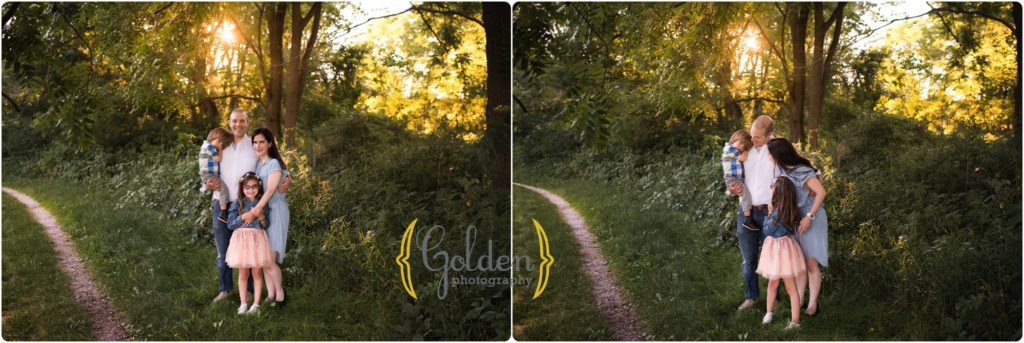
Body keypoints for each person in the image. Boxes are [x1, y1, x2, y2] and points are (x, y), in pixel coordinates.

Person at [206, 108, 292, 303]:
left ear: (247, 122)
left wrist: (288, 178)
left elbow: (272, 163)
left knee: (251, 248)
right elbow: (207, 168)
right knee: (223, 249)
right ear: (229, 122)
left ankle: (253, 290)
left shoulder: (253, 146)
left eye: (242, 121)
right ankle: (225, 289)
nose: (238, 125)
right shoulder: (221, 144)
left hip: (247, 204)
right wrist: (208, 182)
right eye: (234, 121)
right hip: (221, 202)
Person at [767, 137, 828, 316]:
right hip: (793, 218)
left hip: (812, 217)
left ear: (779, 155)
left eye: (770, 155)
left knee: (810, 262)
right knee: (798, 261)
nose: (769, 158)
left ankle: (813, 304)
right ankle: (799, 300)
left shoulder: (803, 170)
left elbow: (821, 193)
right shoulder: (782, 170)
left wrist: (809, 216)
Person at [730, 115, 781, 311]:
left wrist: (814, 174)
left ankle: (774, 299)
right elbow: (730, 170)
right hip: (746, 211)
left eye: (758, 137)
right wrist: (732, 187)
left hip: (771, 212)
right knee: (749, 259)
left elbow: (798, 166)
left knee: (773, 259)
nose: (752, 140)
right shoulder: (745, 149)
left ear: (769, 135)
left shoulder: (778, 149)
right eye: (751, 135)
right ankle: (751, 297)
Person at [244, 127, 290, 306]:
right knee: (263, 258)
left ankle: (280, 295)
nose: (258, 145)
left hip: (275, 211)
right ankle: (270, 295)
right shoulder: (257, 165)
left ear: (270, 143)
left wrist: (256, 210)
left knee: (270, 259)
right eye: (255, 142)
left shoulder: (273, 164)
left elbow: (270, 190)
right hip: (263, 214)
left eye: (262, 141)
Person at [757, 177, 806, 329]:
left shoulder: (780, 211)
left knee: (788, 286)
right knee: (774, 283)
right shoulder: (788, 208)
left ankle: (795, 321)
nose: (770, 189)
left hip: (781, 251)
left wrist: (770, 213)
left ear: (778, 191)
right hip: (777, 249)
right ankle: (769, 312)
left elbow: (768, 231)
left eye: (772, 186)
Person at [225, 173, 275, 314]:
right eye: (247, 187)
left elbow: (265, 225)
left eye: (254, 187)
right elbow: (230, 224)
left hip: (257, 240)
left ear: (259, 187)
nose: (251, 190)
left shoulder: (262, 203)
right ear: (242, 188)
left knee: (257, 273)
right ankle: (243, 304)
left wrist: (261, 217)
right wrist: (242, 217)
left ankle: (256, 304)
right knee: (242, 273)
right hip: (242, 241)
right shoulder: (237, 203)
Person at [722, 129, 758, 230]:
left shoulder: (733, 150)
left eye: (745, 146)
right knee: (746, 194)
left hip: (736, 178)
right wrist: (746, 151)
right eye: (741, 143)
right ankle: (748, 219)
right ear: (734, 139)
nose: (742, 147)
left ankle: (747, 217)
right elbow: (743, 158)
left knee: (743, 194)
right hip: (732, 177)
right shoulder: (729, 149)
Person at [198, 128, 234, 223]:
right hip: (208, 174)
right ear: (214, 137)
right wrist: (221, 150)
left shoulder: (205, 146)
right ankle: (223, 213)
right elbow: (218, 159)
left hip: (207, 174)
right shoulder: (210, 147)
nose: (220, 145)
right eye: (220, 143)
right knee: (224, 190)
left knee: (220, 188)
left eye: (223, 145)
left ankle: (216, 207)